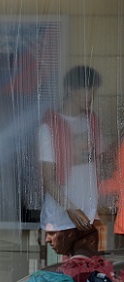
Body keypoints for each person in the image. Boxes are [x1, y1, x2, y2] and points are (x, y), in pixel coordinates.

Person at [39, 65, 103, 234]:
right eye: (86, 89)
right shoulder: (50, 127)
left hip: (88, 214)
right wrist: (70, 208)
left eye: (93, 90)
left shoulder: (91, 121)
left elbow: (99, 162)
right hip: (60, 220)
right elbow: (48, 178)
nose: (91, 96)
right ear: (70, 89)